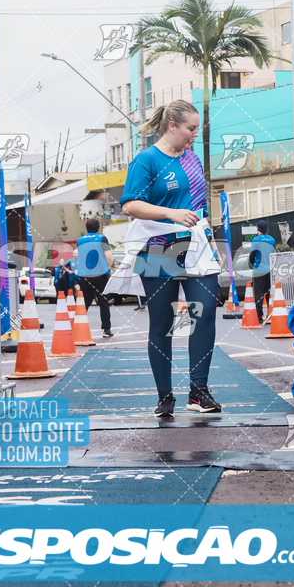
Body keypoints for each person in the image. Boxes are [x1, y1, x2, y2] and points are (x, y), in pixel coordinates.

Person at [119, 100, 221, 417]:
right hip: (159, 243)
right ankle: (165, 396)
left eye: (197, 129)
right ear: (172, 126)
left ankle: (199, 392)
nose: (194, 134)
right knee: (162, 323)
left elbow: (199, 206)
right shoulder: (146, 160)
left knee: (202, 315)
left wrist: (212, 240)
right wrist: (170, 213)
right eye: (190, 129)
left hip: (197, 242)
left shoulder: (192, 160)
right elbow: (130, 205)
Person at [77, 219, 115, 337]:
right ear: (98, 227)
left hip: (85, 275)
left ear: (87, 228)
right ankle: (106, 330)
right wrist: (113, 268)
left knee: (85, 302)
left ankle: (77, 328)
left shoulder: (80, 240)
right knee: (103, 302)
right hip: (100, 274)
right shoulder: (102, 238)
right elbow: (109, 256)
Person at [250, 219, 276, 324]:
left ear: (258, 229)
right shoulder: (272, 240)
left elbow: (252, 255)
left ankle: (259, 317)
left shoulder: (255, 240)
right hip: (269, 270)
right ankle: (270, 315)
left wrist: (252, 263)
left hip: (259, 270)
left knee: (258, 294)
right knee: (269, 293)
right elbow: (274, 254)